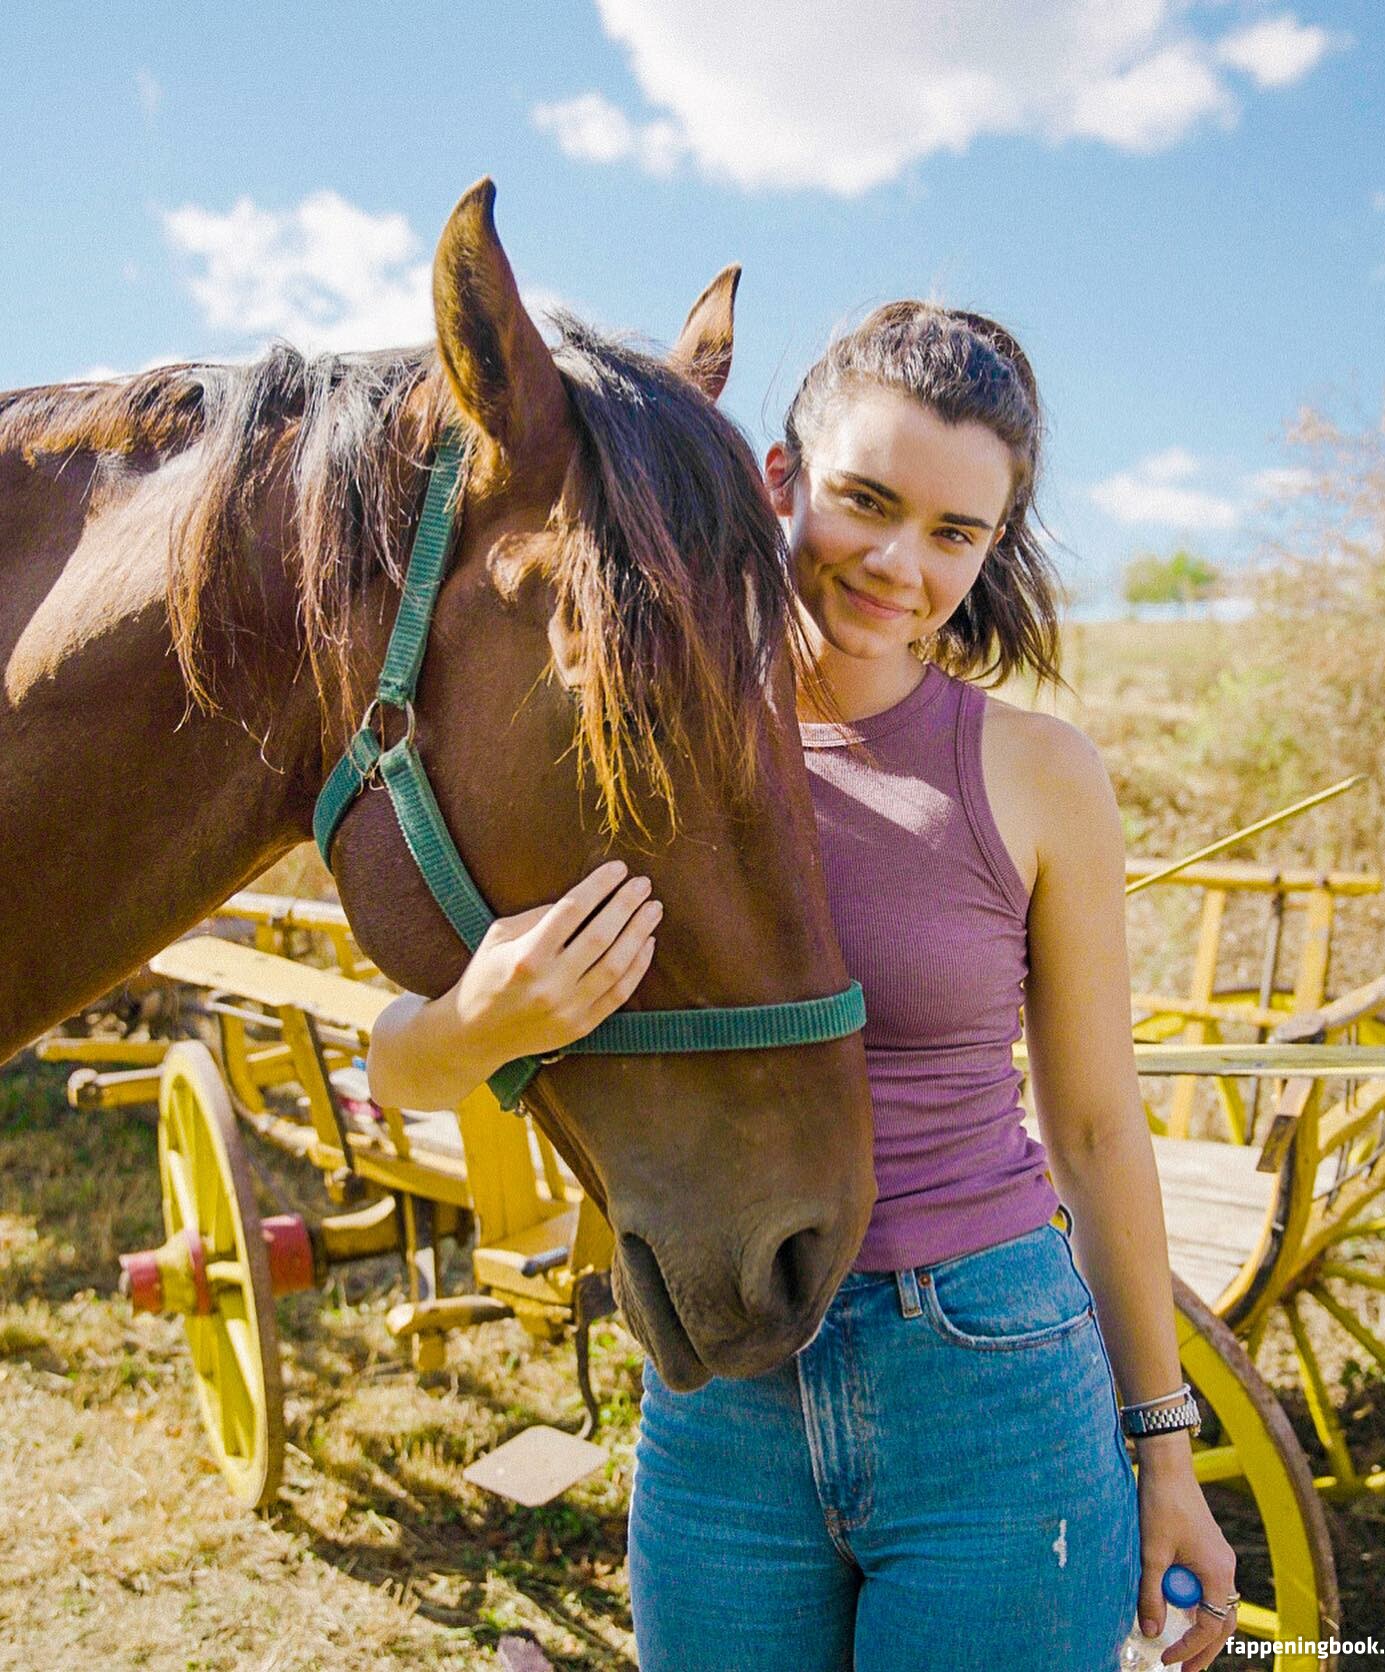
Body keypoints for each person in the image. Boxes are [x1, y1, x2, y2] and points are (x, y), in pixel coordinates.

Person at [365, 302, 1238, 1671]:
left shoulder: (1037, 774)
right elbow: (398, 1067)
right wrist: (486, 1017)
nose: (901, 564)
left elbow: (1093, 1127)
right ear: (780, 480)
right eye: (867, 502)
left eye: (954, 533)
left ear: (991, 548)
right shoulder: (639, 737)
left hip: (991, 1379)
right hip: (724, 1380)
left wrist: (1166, 1452)